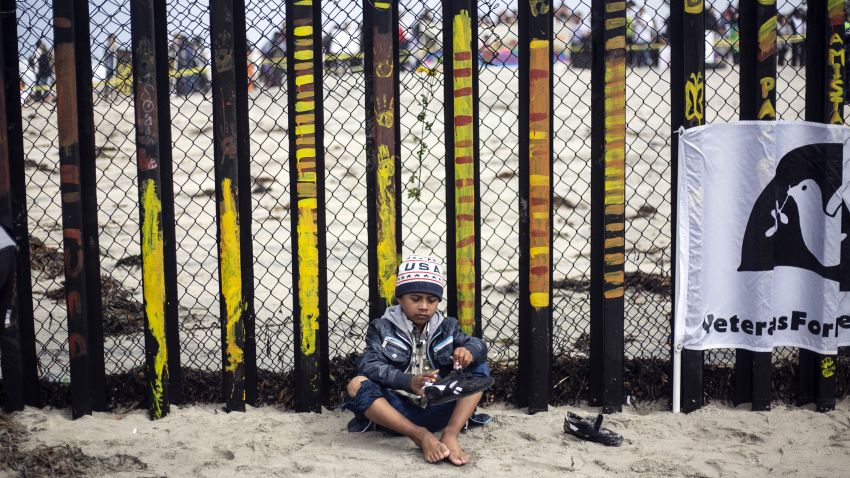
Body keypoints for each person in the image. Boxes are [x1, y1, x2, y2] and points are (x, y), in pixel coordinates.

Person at [344, 255, 492, 466]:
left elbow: (478, 345)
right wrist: (408, 381)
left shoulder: (447, 326)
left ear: (438, 301)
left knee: (479, 366)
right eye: (415, 298)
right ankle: (419, 435)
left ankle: (451, 434)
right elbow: (369, 365)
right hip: (397, 412)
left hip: (441, 406)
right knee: (357, 384)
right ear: (400, 298)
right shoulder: (382, 327)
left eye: (431, 300)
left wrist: (468, 350)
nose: (424, 306)